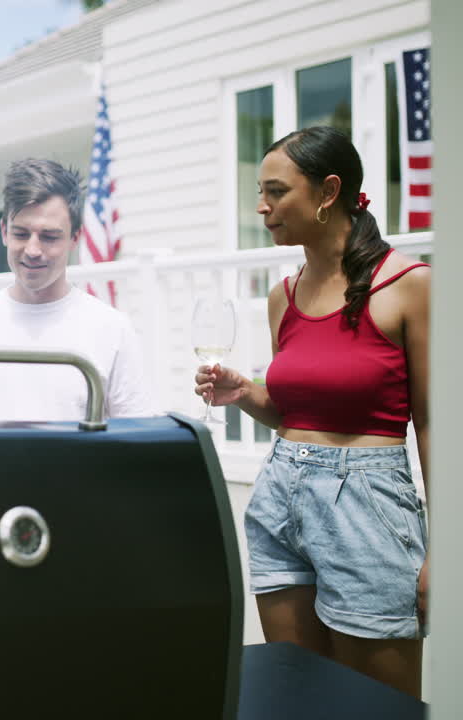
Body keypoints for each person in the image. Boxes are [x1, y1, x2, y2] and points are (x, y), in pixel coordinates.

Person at [195, 126, 430, 697]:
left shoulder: (409, 285)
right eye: (260, 191)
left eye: (277, 191)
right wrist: (244, 392)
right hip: (280, 498)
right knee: (295, 695)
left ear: (328, 191)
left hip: (370, 510)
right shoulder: (285, 294)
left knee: (376, 707)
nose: (262, 206)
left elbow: (439, 425)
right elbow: (293, 413)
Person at [0, 158, 151, 421]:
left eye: (49, 237)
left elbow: (137, 436)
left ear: (75, 238)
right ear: (4, 232)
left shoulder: (112, 328)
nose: (33, 250)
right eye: (21, 234)